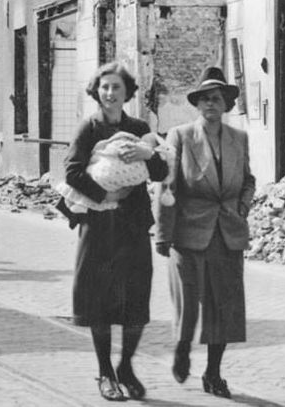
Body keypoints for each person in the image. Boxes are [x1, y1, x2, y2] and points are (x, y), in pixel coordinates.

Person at [64, 62, 168, 402]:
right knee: (98, 300)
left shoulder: (139, 128)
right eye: (105, 87)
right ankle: (105, 372)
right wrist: (104, 194)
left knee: (135, 298)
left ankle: (126, 366)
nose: (110, 93)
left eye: (117, 88)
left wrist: (146, 152)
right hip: (97, 227)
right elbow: (72, 172)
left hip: (132, 226)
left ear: (127, 94)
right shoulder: (88, 129)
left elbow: (161, 170)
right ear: (97, 91)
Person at [154, 66, 255, 399]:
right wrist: (163, 234)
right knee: (189, 301)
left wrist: (241, 208)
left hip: (227, 232)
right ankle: (183, 347)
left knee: (223, 306)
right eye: (204, 99)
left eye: (217, 98)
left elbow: (249, 180)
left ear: (226, 103)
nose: (211, 104)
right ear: (197, 105)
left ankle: (213, 372)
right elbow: (168, 185)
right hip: (189, 230)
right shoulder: (180, 136)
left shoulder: (238, 138)